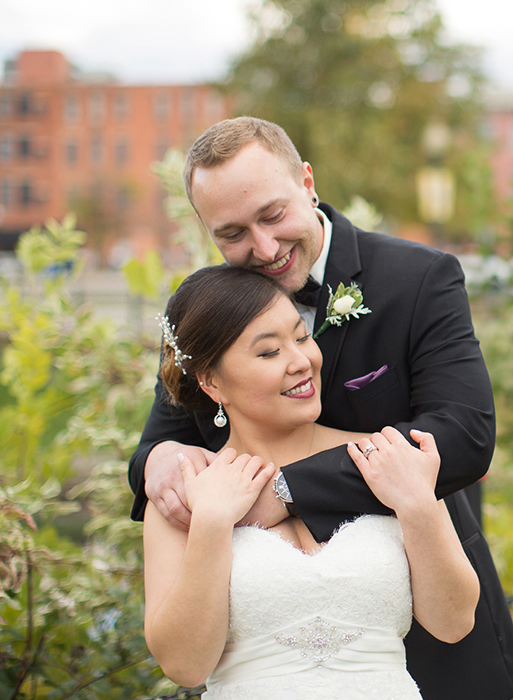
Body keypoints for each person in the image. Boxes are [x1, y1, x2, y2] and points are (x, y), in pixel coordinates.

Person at [128, 117, 513, 699]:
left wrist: (287, 488)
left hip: (424, 632)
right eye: (233, 233)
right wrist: (158, 458)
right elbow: (168, 430)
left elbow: (464, 435)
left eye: (272, 216)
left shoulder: (419, 279)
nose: (263, 249)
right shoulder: (206, 309)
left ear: (307, 182)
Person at [144, 265, 479, 698]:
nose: (302, 362)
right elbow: (184, 666)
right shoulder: (188, 492)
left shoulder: (387, 458)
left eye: (301, 337)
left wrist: (417, 506)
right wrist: (211, 524)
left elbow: (454, 622)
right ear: (211, 382)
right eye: (268, 353)